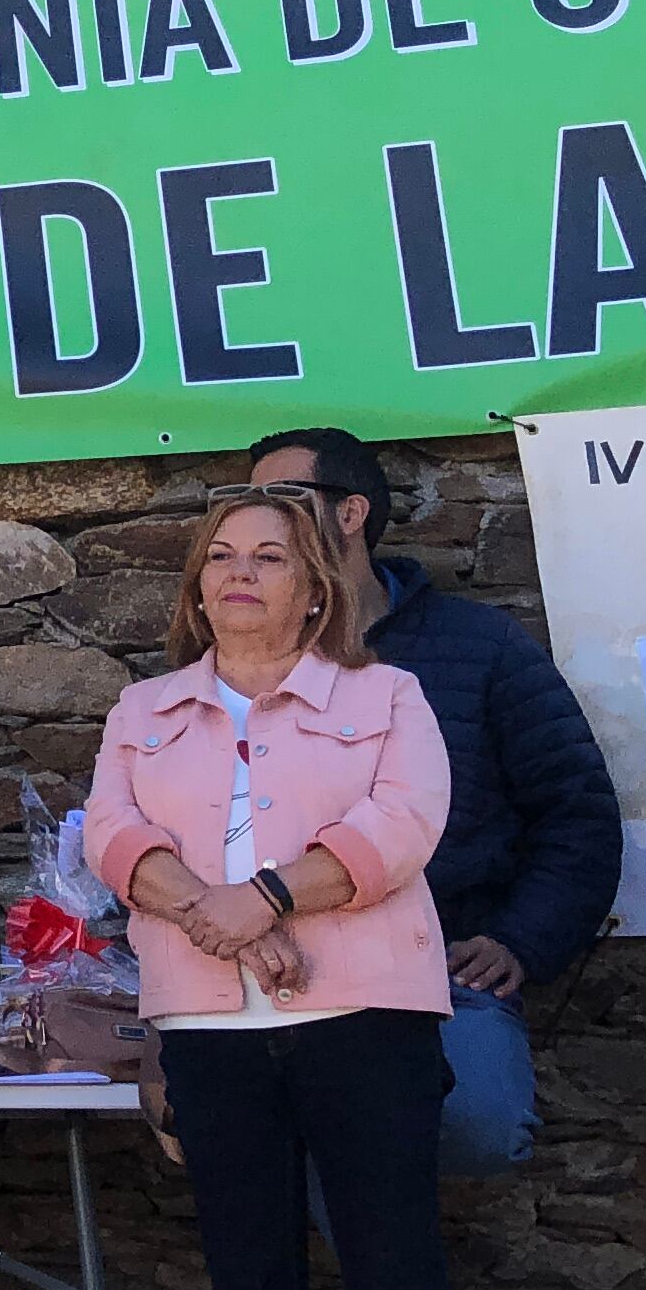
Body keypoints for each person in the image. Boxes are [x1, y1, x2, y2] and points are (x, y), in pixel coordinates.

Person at [84, 484, 515, 1290]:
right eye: (219, 557)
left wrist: (266, 897)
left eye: (268, 557)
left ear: (316, 583)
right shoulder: (146, 707)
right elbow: (113, 840)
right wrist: (223, 922)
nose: (239, 575)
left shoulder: (385, 697)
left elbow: (403, 825)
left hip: (363, 1020)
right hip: (214, 1029)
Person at [240, 431, 619, 1175]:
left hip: (440, 974)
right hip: (281, 972)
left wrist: (522, 939)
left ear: (349, 514)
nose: (255, 521)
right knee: (270, 1135)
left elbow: (575, 809)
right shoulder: (233, 659)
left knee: (478, 1124)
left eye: (281, 499)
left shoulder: (479, 645)